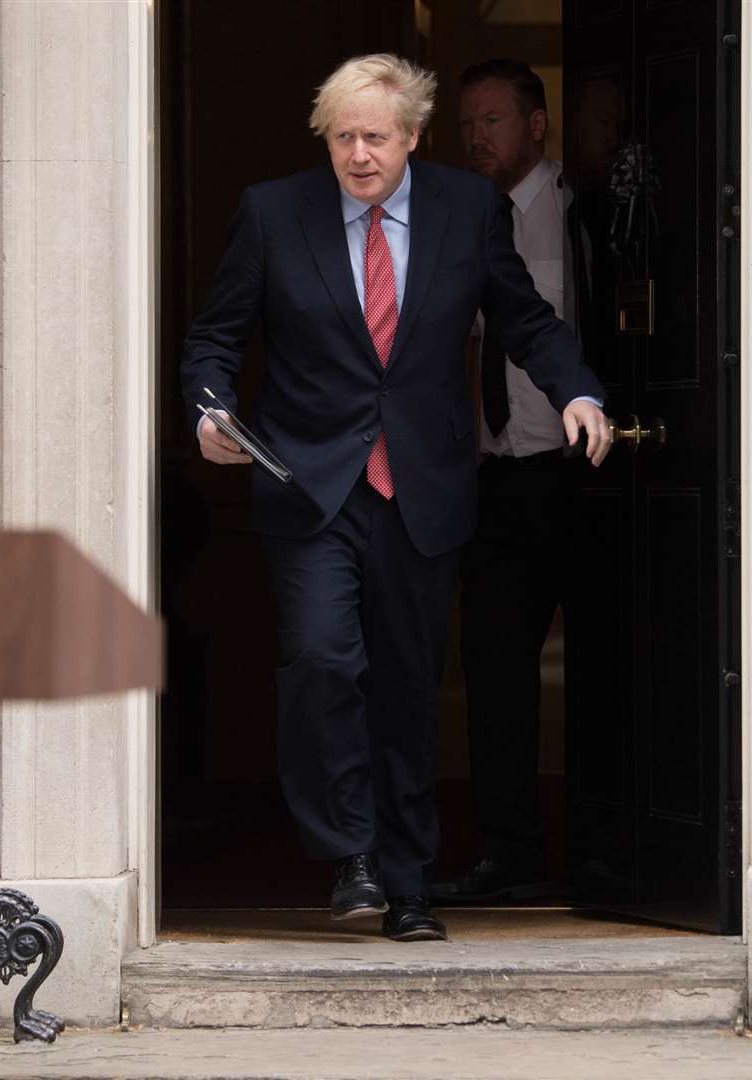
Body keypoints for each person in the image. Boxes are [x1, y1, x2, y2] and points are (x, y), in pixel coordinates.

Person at [179, 54, 610, 942]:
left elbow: (525, 317)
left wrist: (577, 390)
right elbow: (215, 337)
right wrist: (208, 411)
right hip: (309, 485)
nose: (360, 155)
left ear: (413, 136)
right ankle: (354, 855)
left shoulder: (465, 208)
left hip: (421, 487)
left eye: (376, 137)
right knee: (324, 661)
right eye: (344, 138)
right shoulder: (273, 212)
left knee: (409, 689)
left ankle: (410, 884)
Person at [437, 59, 593, 903]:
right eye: (467, 125)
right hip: (498, 477)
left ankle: (614, 850)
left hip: (584, 476)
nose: (476, 139)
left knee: (607, 665)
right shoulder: (461, 221)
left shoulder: (584, 211)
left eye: (492, 121)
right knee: (493, 668)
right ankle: (508, 852)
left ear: (536, 125)